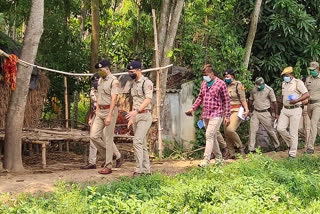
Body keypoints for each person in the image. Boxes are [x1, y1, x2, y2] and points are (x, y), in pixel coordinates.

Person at [186, 64, 231, 167]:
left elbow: (227, 101)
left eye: (206, 75)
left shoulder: (221, 84)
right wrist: (192, 108)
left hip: (217, 114)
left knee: (209, 135)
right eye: (204, 75)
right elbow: (200, 98)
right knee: (213, 136)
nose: (205, 77)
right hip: (206, 114)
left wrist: (227, 116)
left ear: (212, 73)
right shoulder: (204, 84)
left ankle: (206, 160)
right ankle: (219, 158)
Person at [81, 72, 124, 170]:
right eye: (93, 81)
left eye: (96, 80)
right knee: (93, 137)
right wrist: (91, 117)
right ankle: (93, 162)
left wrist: (109, 115)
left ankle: (117, 156)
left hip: (108, 113)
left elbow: (114, 100)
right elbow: (93, 106)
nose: (95, 83)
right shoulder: (92, 91)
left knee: (106, 137)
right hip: (97, 114)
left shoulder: (109, 85)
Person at [125, 60, 153, 177]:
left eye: (132, 71)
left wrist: (137, 111)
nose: (130, 73)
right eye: (129, 72)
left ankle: (139, 169)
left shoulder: (146, 82)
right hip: (136, 116)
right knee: (142, 143)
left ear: (139, 70)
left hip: (144, 115)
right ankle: (147, 170)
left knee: (137, 141)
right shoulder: (133, 83)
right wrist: (132, 116)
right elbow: (134, 101)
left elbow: (148, 99)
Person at [277, 66, 309, 158]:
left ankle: (292, 154)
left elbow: (306, 94)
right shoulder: (284, 84)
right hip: (285, 109)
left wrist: (297, 100)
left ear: (291, 74)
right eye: (284, 75)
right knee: (280, 128)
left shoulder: (298, 83)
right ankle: (291, 143)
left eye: (286, 75)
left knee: (293, 132)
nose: (285, 77)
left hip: (295, 109)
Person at [248, 77, 281, 152]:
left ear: (263, 84)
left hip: (265, 112)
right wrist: (249, 111)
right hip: (255, 112)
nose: (259, 87)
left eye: (260, 86)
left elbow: (274, 102)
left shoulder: (269, 90)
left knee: (270, 130)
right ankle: (251, 149)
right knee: (252, 130)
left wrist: (276, 114)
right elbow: (250, 100)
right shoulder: (254, 89)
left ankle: (277, 145)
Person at [223, 69, 249, 155]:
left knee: (230, 129)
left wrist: (246, 110)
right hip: (227, 110)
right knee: (226, 132)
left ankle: (240, 146)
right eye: (225, 77)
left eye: (228, 77)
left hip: (237, 110)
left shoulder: (238, 85)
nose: (226, 78)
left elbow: (243, 99)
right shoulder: (224, 86)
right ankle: (231, 153)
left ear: (232, 76)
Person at [305, 61, 320, 154]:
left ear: (318, 69)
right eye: (310, 70)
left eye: (313, 70)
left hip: (318, 104)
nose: (312, 72)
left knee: (313, 124)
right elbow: (305, 91)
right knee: (317, 125)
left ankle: (310, 147)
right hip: (309, 104)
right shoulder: (308, 79)